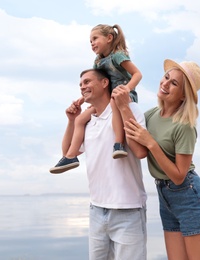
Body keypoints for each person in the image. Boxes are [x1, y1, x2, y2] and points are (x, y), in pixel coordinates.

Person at [120, 59, 200, 259]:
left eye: (174, 83)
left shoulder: (184, 126)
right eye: (166, 77)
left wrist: (151, 143)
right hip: (165, 197)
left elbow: (179, 176)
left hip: (190, 198)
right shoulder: (151, 115)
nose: (165, 84)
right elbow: (140, 152)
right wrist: (124, 109)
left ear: (184, 95)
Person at [54, 68, 147, 259]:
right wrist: (72, 121)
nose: (82, 87)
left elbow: (140, 152)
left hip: (127, 209)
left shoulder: (130, 109)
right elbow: (67, 153)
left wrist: (123, 107)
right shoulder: (87, 120)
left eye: (87, 82)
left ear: (105, 83)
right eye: (80, 84)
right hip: (96, 209)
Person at [49, 24, 142, 174]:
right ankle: (71, 156)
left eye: (95, 39)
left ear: (109, 38)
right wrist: (82, 99)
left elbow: (137, 74)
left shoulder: (118, 55)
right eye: (90, 41)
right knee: (80, 120)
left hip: (123, 95)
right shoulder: (98, 62)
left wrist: (126, 89)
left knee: (114, 101)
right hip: (109, 98)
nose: (92, 43)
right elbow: (96, 82)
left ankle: (118, 144)